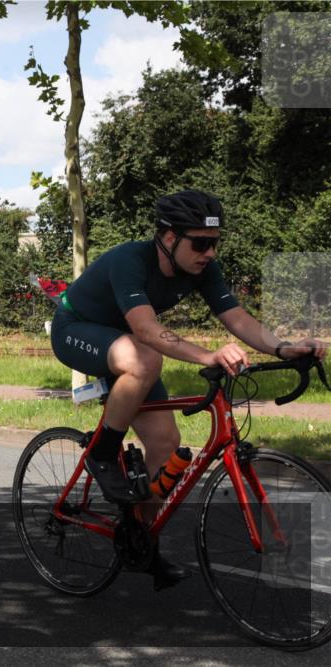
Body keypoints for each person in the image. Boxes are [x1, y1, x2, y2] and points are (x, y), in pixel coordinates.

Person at [51, 189, 327, 589]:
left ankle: (141, 540)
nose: (209, 252)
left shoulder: (202, 268)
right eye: (200, 243)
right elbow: (146, 329)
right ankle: (102, 453)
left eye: (214, 243)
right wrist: (208, 355)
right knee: (146, 359)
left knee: (166, 444)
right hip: (76, 329)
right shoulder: (130, 260)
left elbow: (237, 318)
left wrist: (284, 347)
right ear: (169, 237)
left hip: (126, 342)